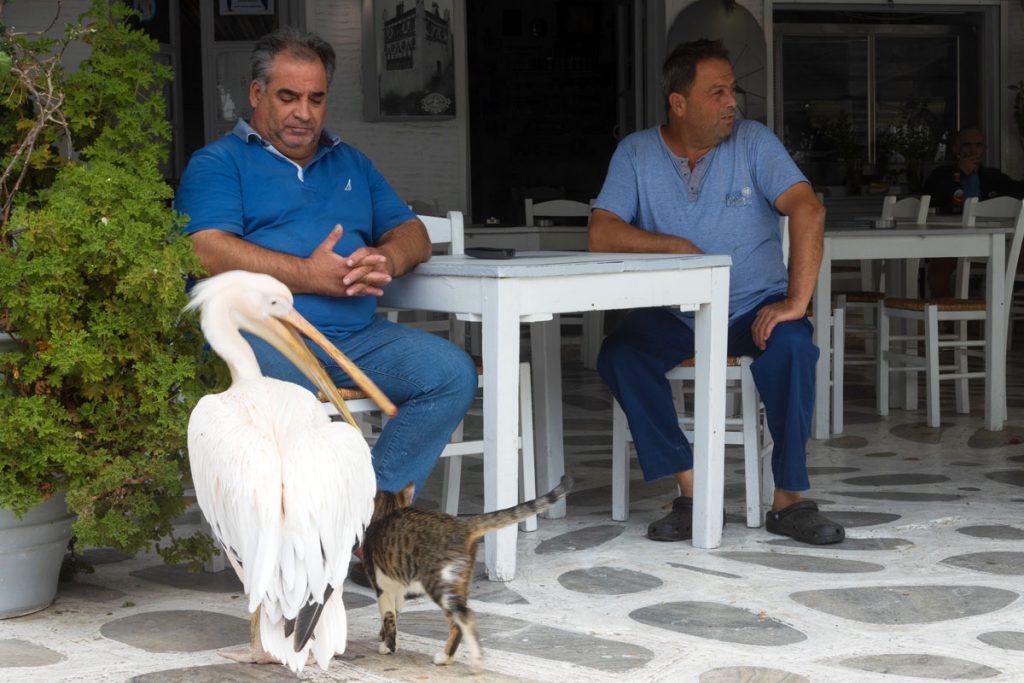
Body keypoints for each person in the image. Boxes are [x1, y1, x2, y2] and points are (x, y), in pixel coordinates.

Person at [175, 27, 478, 499]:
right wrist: (309, 275)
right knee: (290, 394)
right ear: (256, 94)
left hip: (355, 339)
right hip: (260, 332)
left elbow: (413, 233)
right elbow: (205, 248)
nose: (303, 113)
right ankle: (303, 522)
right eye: (288, 96)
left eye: (316, 99)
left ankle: (366, 510)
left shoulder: (351, 162)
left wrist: (387, 257)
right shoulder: (219, 162)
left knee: (450, 374)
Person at [591, 39, 844, 545]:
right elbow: (602, 233)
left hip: (753, 305)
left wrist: (795, 303)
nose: (733, 102)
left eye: (733, 90)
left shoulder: (754, 142)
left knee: (794, 348)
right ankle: (693, 490)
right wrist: (674, 246)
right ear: (678, 103)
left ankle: (789, 500)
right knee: (619, 355)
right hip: (676, 313)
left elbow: (808, 209)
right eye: (717, 92)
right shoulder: (636, 153)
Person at [922, 126, 1024, 296]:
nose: (972, 150)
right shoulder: (941, 174)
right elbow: (928, 199)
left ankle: (1000, 316)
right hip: (952, 243)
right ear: (956, 149)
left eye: (978, 145)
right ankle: (953, 322)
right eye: (966, 145)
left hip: (992, 245)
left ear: (984, 149)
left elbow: (1017, 191)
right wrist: (959, 172)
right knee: (937, 276)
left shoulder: (992, 177)